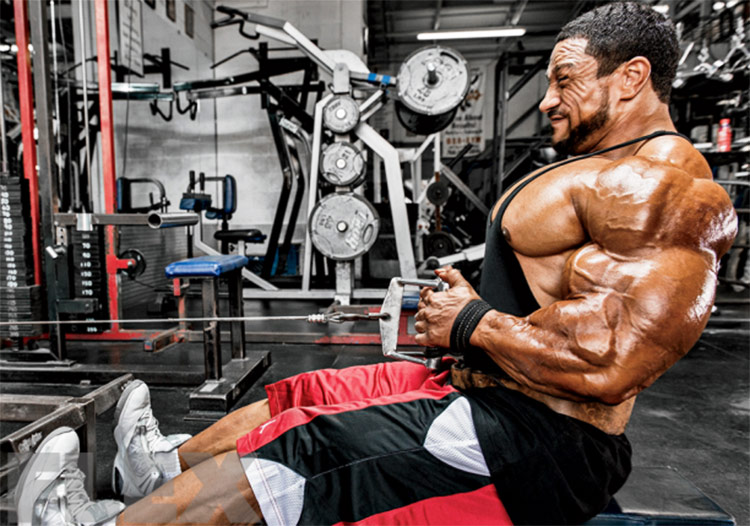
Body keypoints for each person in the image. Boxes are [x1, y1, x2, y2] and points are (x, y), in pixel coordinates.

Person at [15, 2, 738, 525]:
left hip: (534, 444)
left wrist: (473, 322)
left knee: (307, 452)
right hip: (492, 394)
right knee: (305, 394)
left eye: (566, 79)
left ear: (632, 77)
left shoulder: (666, 189)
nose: (548, 99)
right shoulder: (608, 169)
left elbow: (610, 359)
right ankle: (155, 474)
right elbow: (549, 305)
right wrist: (468, 312)